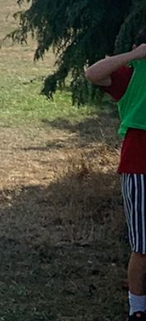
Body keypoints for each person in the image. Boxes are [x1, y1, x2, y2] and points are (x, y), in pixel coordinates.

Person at [85, 30, 146, 320]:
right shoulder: (130, 75)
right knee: (142, 245)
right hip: (139, 166)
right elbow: (93, 74)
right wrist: (136, 56)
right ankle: (137, 309)